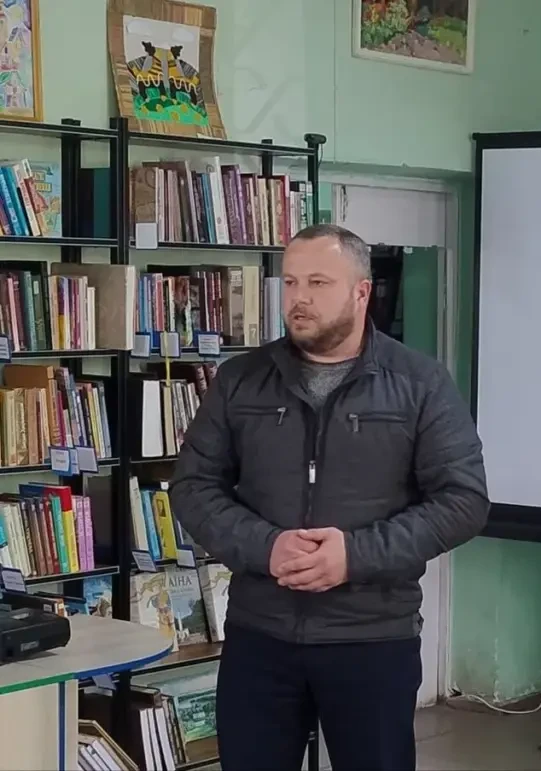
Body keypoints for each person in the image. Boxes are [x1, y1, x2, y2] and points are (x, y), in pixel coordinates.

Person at [169, 223, 489, 771]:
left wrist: (354, 556)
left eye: (318, 283)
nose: (299, 298)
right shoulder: (241, 380)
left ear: (361, 292)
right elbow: (193, 486)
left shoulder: (419, 383)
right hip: (260, 633)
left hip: (372, 638)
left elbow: (464, 501)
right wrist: (266, 547)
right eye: (291, 282)